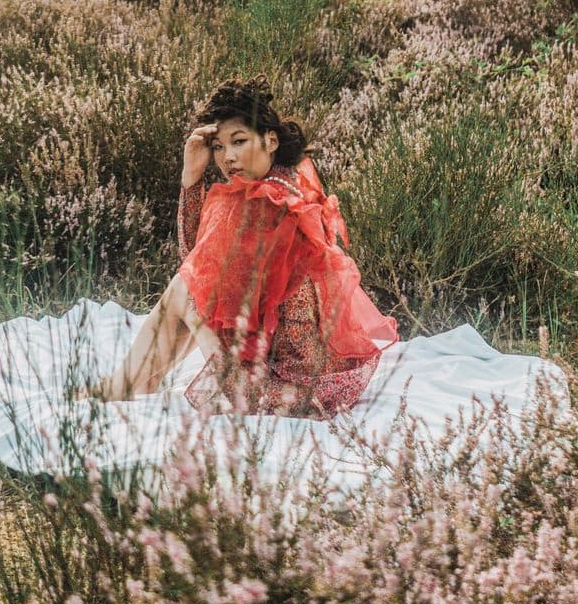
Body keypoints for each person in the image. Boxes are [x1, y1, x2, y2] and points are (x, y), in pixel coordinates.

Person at [77, 77, 400, 417]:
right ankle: (132, 384)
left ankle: (126, 386)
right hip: (323, 382)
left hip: (282, 391)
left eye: (239, 141)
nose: (228, 157)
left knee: (183, 288)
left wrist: (191, 180)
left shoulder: (263, 200)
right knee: (188, 288)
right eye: (218, 146)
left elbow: (195, 268)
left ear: (270, 140)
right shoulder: (291, 179)